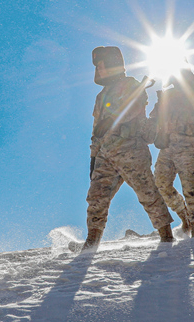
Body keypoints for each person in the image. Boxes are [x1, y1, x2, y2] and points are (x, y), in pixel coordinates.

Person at [70, 46, 174, 252]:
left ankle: (167, 236)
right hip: (105, 154)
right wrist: (93, 155)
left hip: (130, 150)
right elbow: (96, 129)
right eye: (97, 67)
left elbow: (134, 108)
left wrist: (111, 120)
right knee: (96, 197)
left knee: (146, 192)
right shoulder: (101, 96)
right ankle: (91, 243)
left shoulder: (131, 85)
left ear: (112, 65)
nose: (99, 70)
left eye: (101, 65)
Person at [149, 66, 194, 237]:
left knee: (190, 186)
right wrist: (155, 134)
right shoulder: (166, 95)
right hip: (168, 146)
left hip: (191, 144)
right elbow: (154, 118)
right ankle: (185, 217)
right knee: (161, 183)